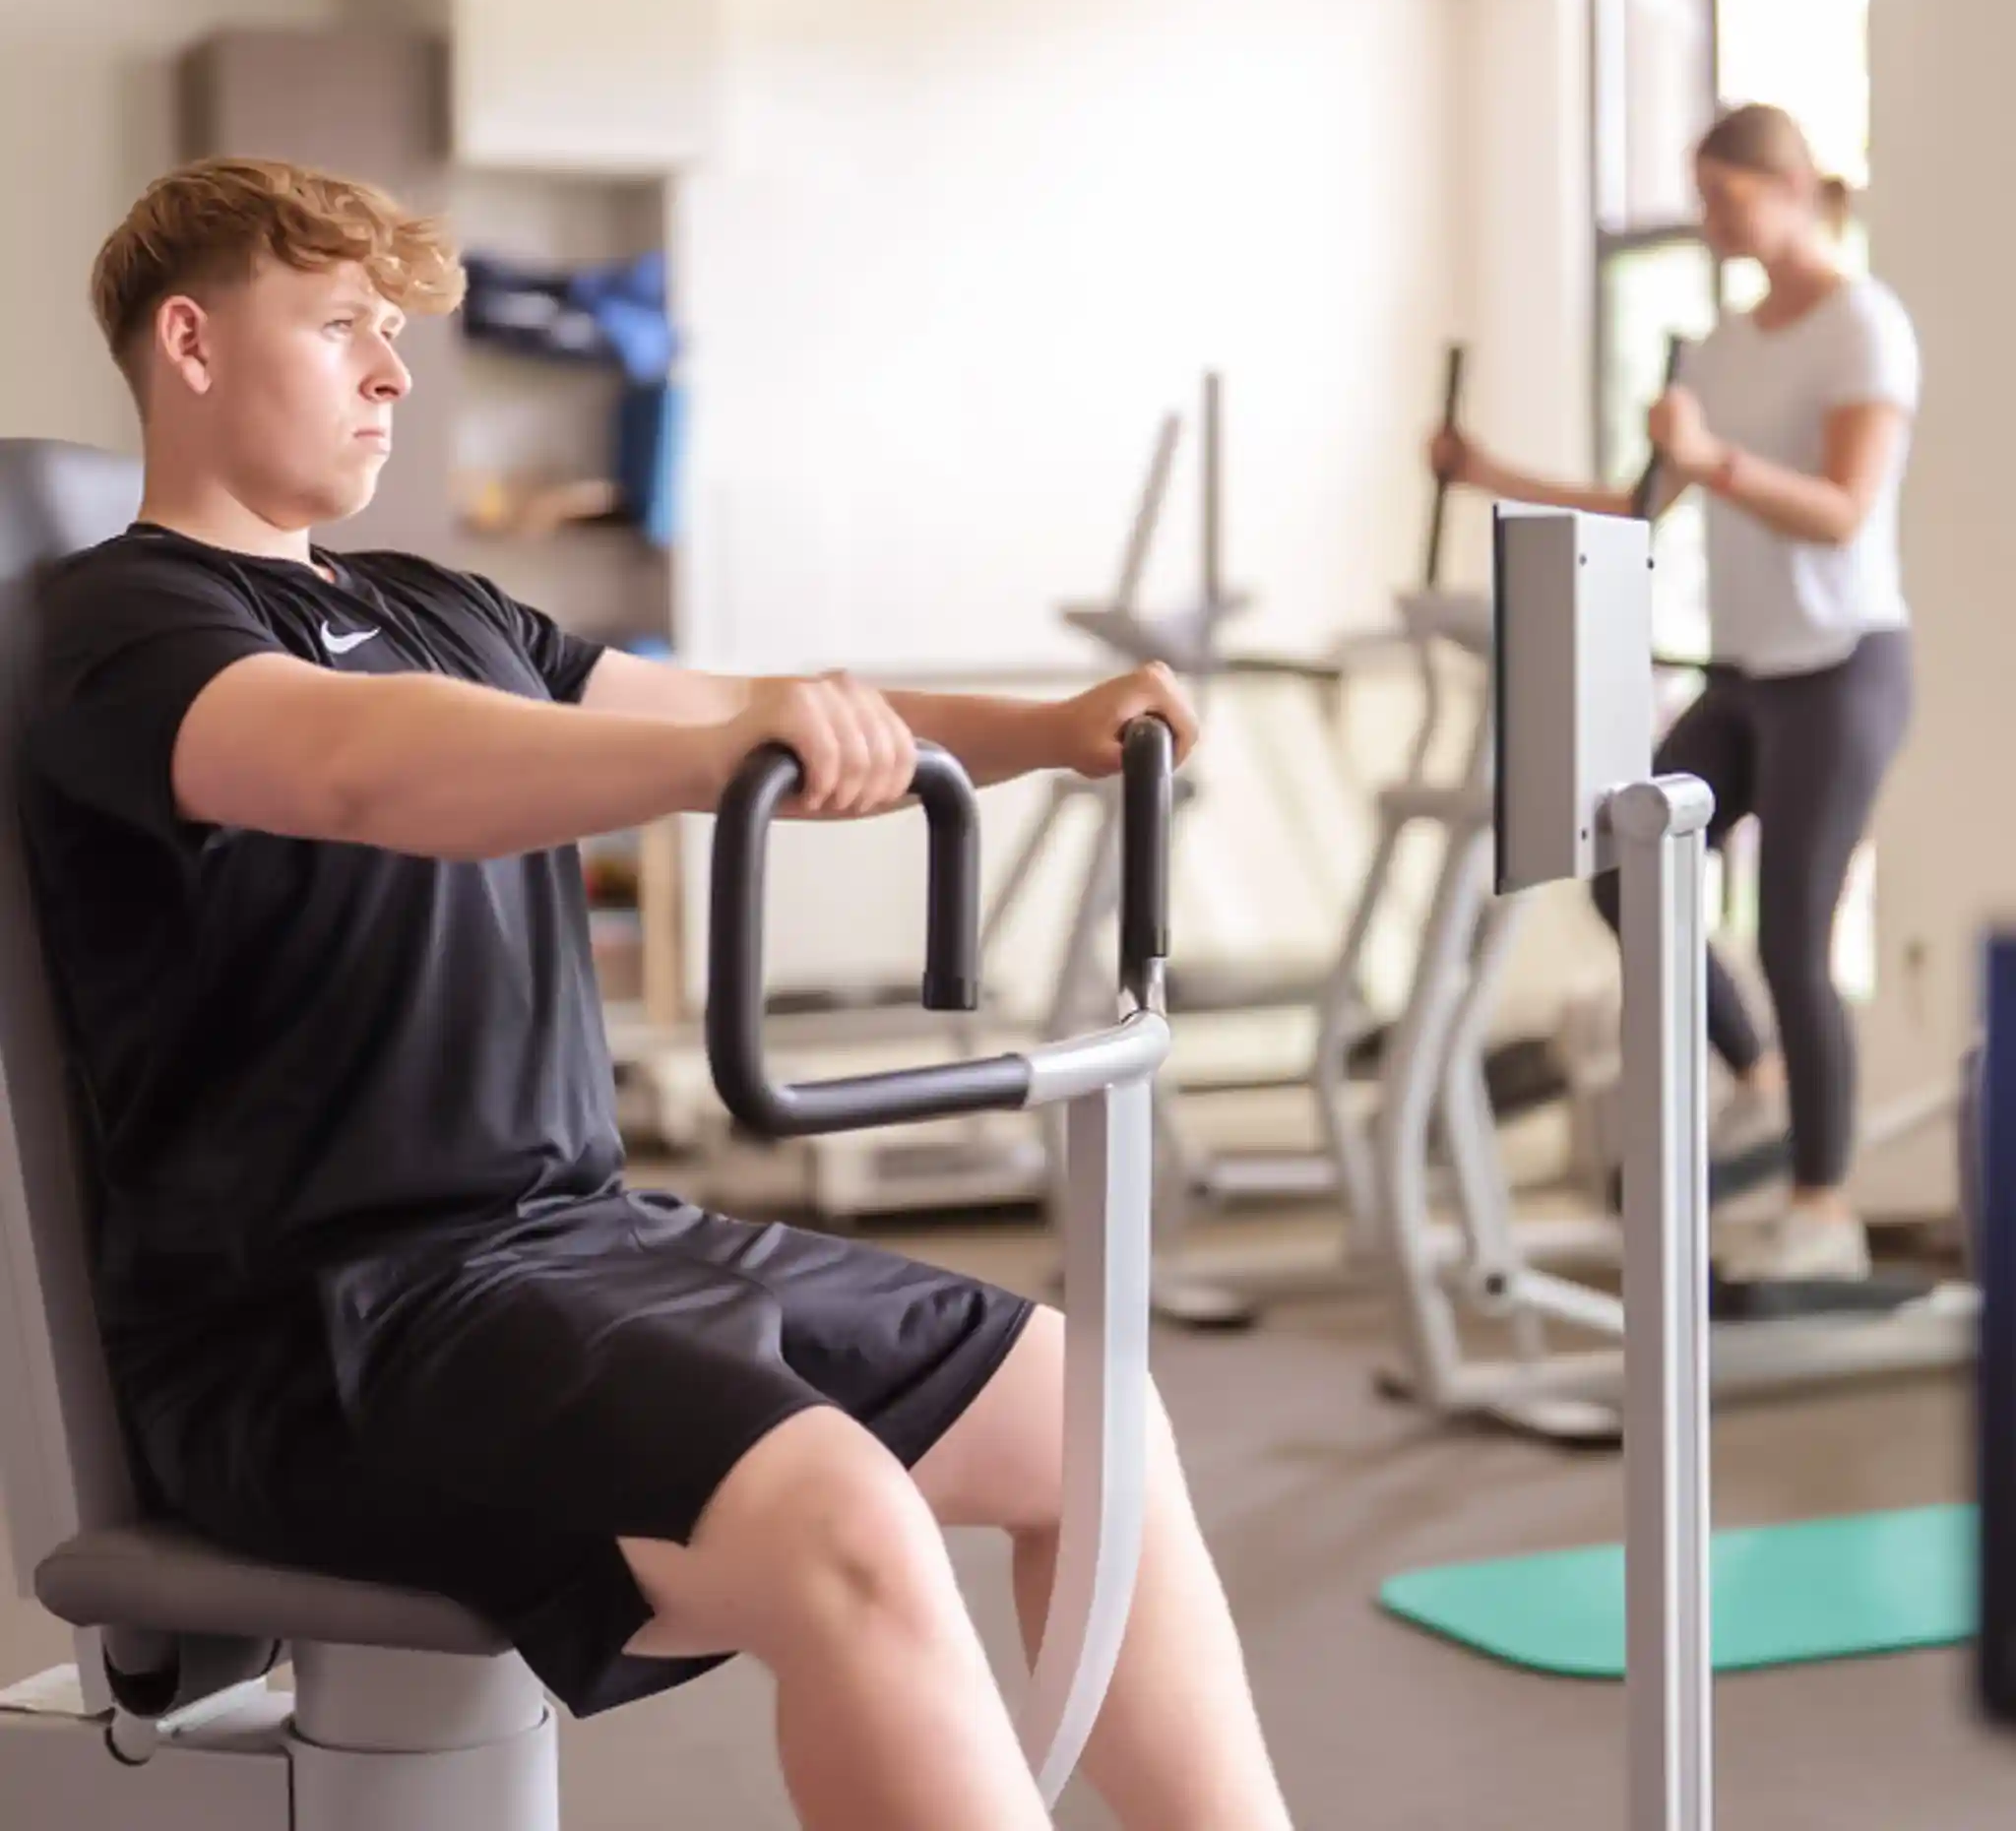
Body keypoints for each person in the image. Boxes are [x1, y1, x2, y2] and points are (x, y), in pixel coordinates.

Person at [20, 158, 1293, 1831]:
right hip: (333, 1320)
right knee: (837, 1506)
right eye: (342, 328)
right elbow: (353, 767)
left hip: (577, 1243)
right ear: (189, 340)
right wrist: (698, 761)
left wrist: (1038, 726)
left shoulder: (434, 604)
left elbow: (756, 699)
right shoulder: (121, 620)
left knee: (1085, 1409)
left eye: (393, 335)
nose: (394, 374)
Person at [1433, 102, 1920, 1286]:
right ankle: (1753, 1076)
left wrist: (1713, 460)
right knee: (1617, 856)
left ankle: (1821, 1206)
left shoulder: (1861, 323)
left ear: (1791, 186)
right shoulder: (1717, 346)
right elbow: (1636, 509)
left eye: (1723, 197)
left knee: (1794, 931)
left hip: (1843, 666)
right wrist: (1482, 472)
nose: (1708, 220)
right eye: (1699, 198)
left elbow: (1843, 508)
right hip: (1748, 673)